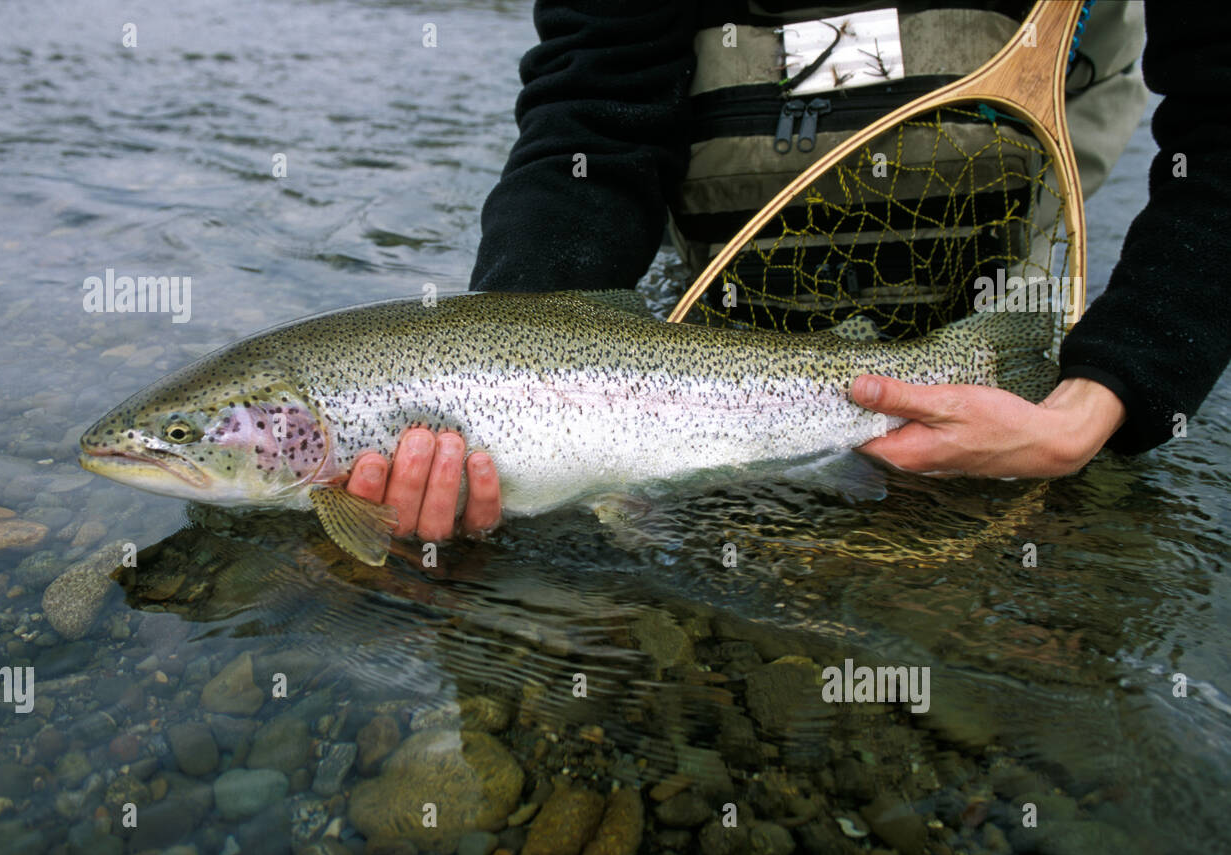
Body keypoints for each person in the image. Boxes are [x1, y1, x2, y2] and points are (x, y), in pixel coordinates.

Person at [349, 0, 1231, 542]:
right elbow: (594, 117)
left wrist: (1108, 393)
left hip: (1035, 81)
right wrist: (507, 388)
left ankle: (1001, 350)